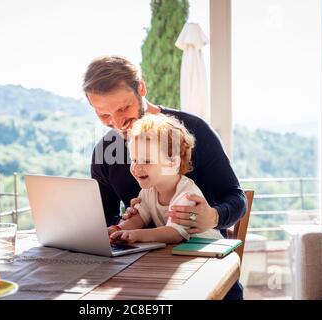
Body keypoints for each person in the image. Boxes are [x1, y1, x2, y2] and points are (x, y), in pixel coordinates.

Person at [84, 55, 246, 299]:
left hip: (201, 270)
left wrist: (213, 217)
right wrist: (124, 223)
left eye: (123, 108)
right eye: (103, 115)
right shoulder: (105, 152)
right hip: (135, 275)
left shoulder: (191, 131)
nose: (118, 123)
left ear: (141, 88)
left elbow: (236, 198)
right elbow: (106, 220)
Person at [109, 113, 223, 244]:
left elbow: (174, 233)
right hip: (181, 254)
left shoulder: (187, 195)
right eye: (134, 160)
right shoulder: (148, 192)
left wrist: (136, 235)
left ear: (172, 163)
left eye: (146, 161)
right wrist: (116, 229)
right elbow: (138, 218)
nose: (136, 167)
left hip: (210, 253)